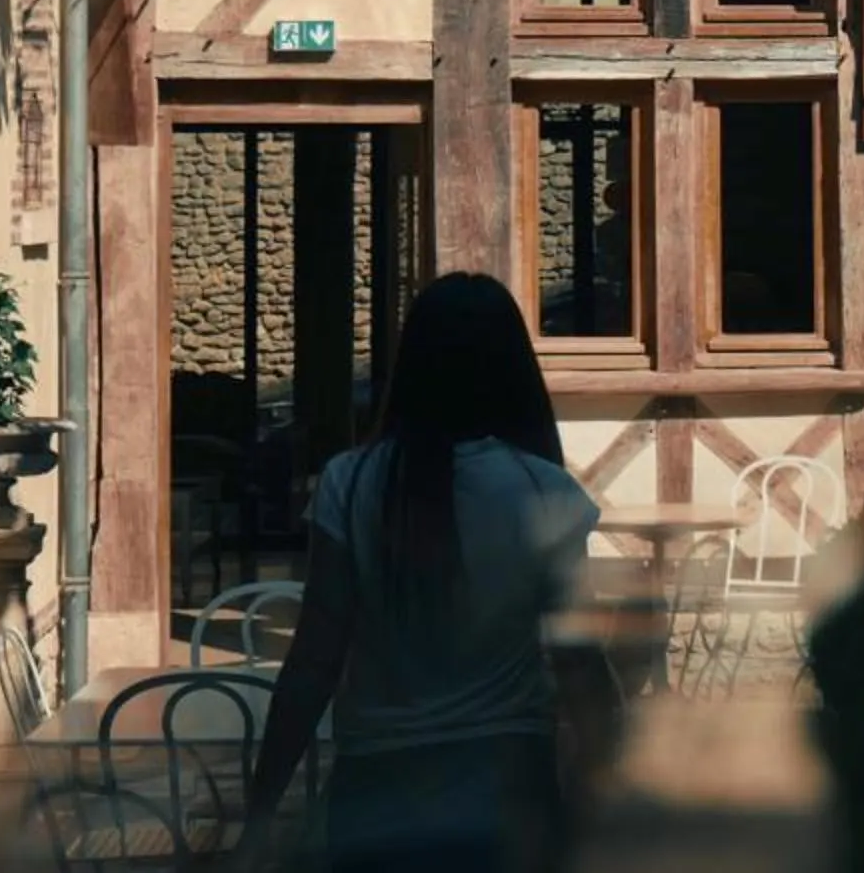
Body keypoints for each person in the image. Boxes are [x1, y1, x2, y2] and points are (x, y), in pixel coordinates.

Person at [240, 273, 599, 873]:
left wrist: (260, 814)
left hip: (378, 793)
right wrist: (612, 790)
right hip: (509, 792)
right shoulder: (545, 491)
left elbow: (314, 661)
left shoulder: (351, 483)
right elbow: (580, 663)